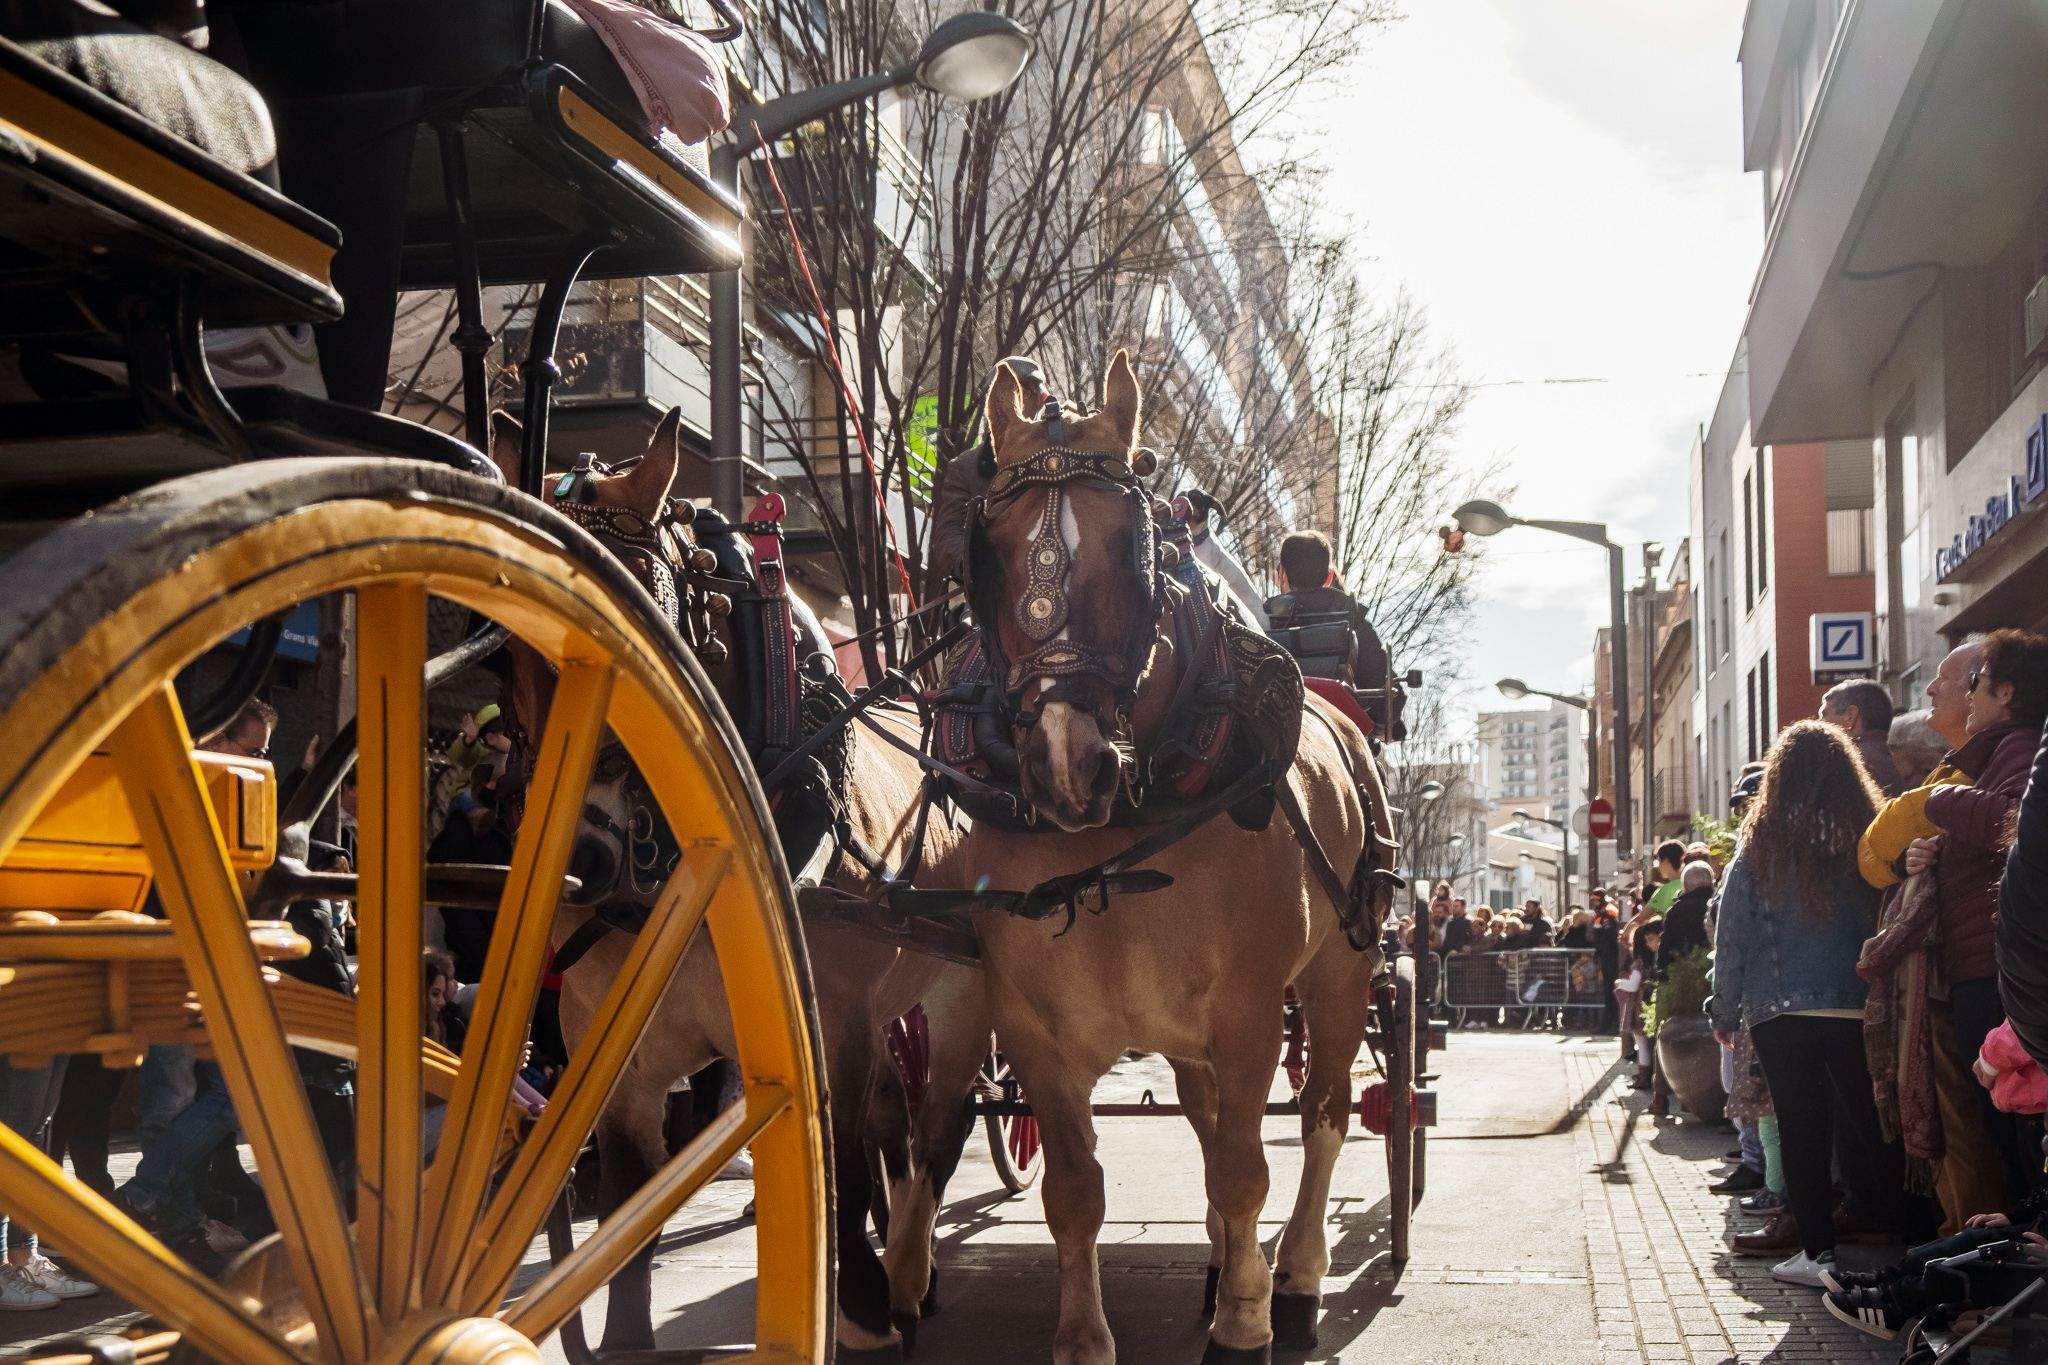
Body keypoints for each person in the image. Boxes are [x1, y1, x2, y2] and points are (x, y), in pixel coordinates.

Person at [1712, 721, 1902, 1287]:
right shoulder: (1868, 832)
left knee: (1802, 1126)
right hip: (1856, 998)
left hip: (1781, 1007)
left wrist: (1723, 1011)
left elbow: (1733, 929)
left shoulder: (1764, 838)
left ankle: (1817, 1254)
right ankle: (1912, 1239)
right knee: (1873, 1120)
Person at [1899, 629, 2048, 1212]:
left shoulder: (2018, 746)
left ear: (2005, 692)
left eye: (1976, 682)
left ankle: (2014, 1264)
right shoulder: (2003, 752)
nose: (1964, 691)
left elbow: (2011, 823)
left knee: (2014, 1134)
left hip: (2000, 977)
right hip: (1989, 972)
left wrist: (1936, 802)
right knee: (2003, 1132)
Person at [1264, 529, 1401, 738]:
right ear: (1329, 577)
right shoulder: (1355, 621)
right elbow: (1383, 696)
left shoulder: (1263, 621)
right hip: (1343, 726)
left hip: (1273, 729)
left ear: (1282, 573)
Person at [927, 356, 1050, 587]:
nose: (1030, 402)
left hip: (1056, 582)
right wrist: (976, 566)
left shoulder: (1058, 459)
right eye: (1020, 394)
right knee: (964, 623)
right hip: (994, 594)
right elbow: (948, 536)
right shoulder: (965, 468)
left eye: (1034, 394)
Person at [1176, 487, 1268, 629]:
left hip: (1254, 620)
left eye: (1193, 503)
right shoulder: (1194, 543)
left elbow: (1198, 590)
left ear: (1207, 508)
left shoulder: (1209, 550)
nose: (1186, 507)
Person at [1821, 676, 1903, 797]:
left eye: (1824, 716)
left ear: (1850, 716)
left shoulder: (1849, 762)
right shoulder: (1900, 758)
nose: (1820, 724)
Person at [1644, 840, 1687, 916]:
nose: (1658, 866)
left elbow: (1639, 920)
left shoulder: (1665, 890)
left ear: (1666, 861)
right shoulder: (1689, 886)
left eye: (1659, 861)